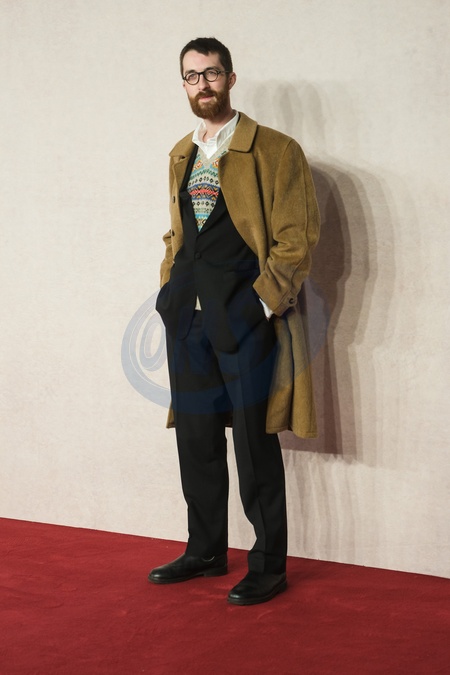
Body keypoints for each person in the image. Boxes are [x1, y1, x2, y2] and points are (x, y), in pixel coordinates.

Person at [149, 37, 320, 605]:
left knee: (253, 443)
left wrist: (261, 304)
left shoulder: (275, 150)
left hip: (245, 320)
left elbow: (296, 240)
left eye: (212, 73)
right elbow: (177, 234)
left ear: (230, 77)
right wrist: (169, 292)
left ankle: (268, 566)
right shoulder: (181, 152)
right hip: (189, 321)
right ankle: (205, 551)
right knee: (196, 440)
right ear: (183, 84)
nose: (203, 84)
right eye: (192, 75)